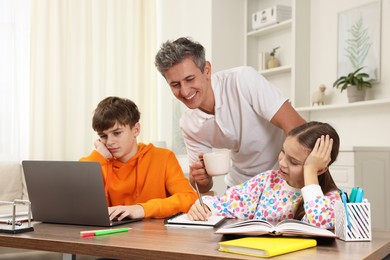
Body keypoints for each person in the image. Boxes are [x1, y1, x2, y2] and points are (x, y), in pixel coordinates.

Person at [155, 37, 306, 193]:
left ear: (206, 70)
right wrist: (199, 178)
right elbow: (203, 186)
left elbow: (297, 127)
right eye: (175, 85)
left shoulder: (243, 80)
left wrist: (302, 176)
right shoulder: (189, 123)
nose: (185, 91)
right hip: (240, 188)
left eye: (190, 79)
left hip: (282, 181)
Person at [187, 121, 341, 229]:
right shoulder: (267, 180)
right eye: (283, 152)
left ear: (319, 169)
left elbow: (320, 222)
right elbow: (230, 202)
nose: (282, 162)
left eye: (293, 161)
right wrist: (205, 205)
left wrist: (310, 171)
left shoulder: (330, 198)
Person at [80, 96, 197, 220]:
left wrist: (142, 209)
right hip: (111, 236)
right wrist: (98, 155)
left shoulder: (163, 157)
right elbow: (74, 195)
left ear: (136, 130)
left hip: (154, 236)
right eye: (103, 136)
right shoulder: (100, 162)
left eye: (117, 133)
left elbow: (189, 198)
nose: (109, 142)